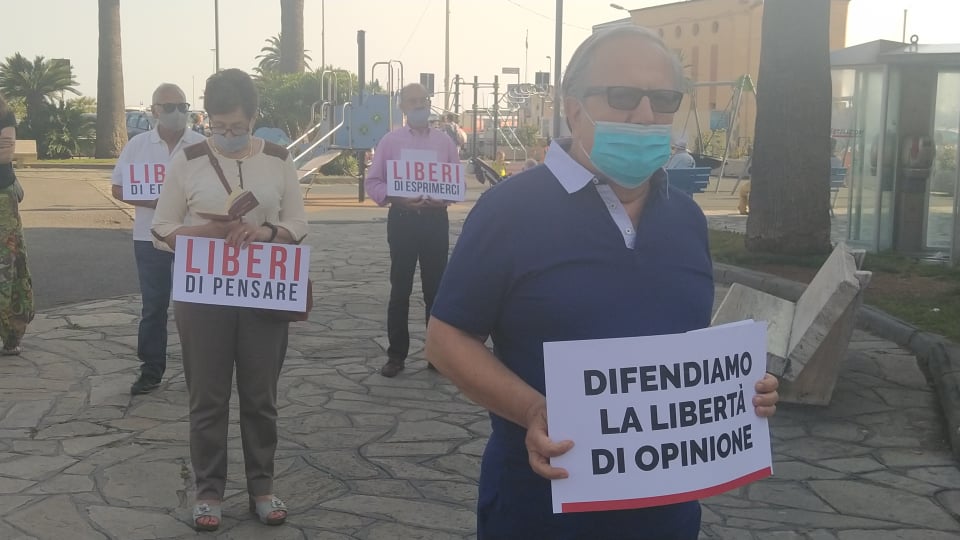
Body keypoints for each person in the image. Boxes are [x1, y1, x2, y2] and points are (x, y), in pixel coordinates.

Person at [425, 26, 780, 539]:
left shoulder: (686, 219)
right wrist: (532, 410)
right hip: (540, 512)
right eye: (622, 96)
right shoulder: (510, 210)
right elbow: (447, 339)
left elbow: (681, 357)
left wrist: (739, 391)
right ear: (574, 109)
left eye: (664, 99)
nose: (645, 114)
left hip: (667, 517)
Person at [152, 69, 308, 531]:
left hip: (263, 291)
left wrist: (267, 232)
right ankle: (208, 491)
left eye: (237, 127)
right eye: (218, 126)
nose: (227, 135)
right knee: (208, 397)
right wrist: (206, 232)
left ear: (253, 118)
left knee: (261, 397)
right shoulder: (189, 160)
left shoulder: (278, 160)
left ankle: (262, 486)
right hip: (203, 295)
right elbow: (161, 227)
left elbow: (299, 223)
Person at [112, 84, 206, 395]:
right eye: (169, 107)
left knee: (195, 306)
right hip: (149, 237)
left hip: (192, 237)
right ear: (154, 111)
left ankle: (201, 370)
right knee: (153, 307)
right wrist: (156, 202)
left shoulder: (201, 146)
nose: (177, 113)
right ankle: (151, 369)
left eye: (183, 106)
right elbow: (117, 188)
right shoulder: (138, 146)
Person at [364, 83, 459, 378]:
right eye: (413, 101)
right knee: (400, 288)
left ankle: (437, 356)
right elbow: (373, 182)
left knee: (436, 290)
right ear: (402, 107)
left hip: (435, 220)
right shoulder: (390, 141)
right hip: (403, 219)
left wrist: (444, 198)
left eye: (423, 100)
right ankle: (396, 355)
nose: (419, 105)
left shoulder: (445, 142)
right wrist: (396, 197)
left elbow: (456, 182)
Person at [0, 94, 33, 356]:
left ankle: (10, 334)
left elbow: (4, 152)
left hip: (2, 196)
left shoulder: (4, 114)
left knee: (6, 266)